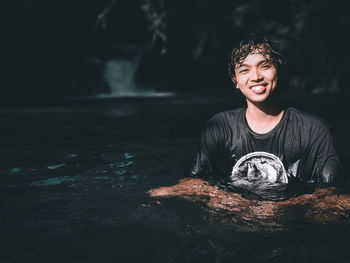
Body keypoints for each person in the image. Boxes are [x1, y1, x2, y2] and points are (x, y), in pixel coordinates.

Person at [187, 33, 341, 186]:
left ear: (278, 70)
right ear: (235, 80)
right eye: (244, 70)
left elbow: (330, 195)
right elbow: (194, 185)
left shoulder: (314, 131)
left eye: (265, 66)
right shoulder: (219, 128)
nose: (255, 76)